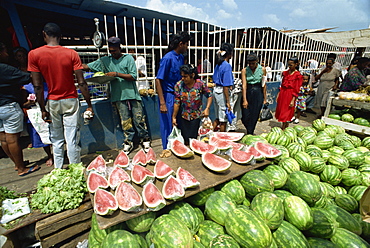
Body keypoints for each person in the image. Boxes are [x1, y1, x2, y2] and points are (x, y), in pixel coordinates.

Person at [28, 23, 94, 169]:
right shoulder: (71, 54)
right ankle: (75, 171)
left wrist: (42, 108)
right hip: (71, 100)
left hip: (52, 101)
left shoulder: (34, 54)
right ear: (60, 35)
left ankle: (58, 170)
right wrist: (89, 104)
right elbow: (81, 82)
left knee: (56, 139)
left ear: (44, 34)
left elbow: (37, 86)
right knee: (71, 139)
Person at [84, 37, 151, 154]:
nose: (112, 53)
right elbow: (87, 67)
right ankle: (128, 142)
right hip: (118, 96)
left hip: (132, 94)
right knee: (125, 121)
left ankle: (144, 139)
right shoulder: (105, 60)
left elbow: (133, 76)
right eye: (110, 50)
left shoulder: (128, 58)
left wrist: (116, 74)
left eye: (114, 50)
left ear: (120, 48)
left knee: (139, 118)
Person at [0, 42, 40, 176]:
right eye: (5, 51)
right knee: (12, 139)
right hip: (8, 106)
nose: (7, 54)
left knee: (3, 139)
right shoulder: (5, 69)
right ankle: (21, 168)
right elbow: (27, 77)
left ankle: (18, 165)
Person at [155, 31, 191, 158]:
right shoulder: (167, 58)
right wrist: (162, 102)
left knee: (177, 123)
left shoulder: (181, 57)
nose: (187, 47)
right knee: (168, 123)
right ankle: (166, 149)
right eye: (186, 44)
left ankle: (177, 147)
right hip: (168, 95)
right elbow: (158, 80)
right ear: (181, 44)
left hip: (179, 94)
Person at [172, 64, 212, 145]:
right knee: (185, 139)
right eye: (182, 76)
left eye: (185, 76)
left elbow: (210, 95)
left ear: (192, 75)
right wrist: (174, 117)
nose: (183, 78)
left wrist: (207, 108)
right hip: (184, 116)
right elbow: (177, 102)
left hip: (196, 116)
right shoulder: (178, 85)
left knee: (194, 139)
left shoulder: (200, 84)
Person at [241, 53, 267, 134]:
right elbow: (244, 85)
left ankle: (250, 132)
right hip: (248, 91)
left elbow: (264, 85)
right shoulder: (244, 70)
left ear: (257, 61)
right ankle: (249, 129)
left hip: (258, 92)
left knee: (255, 114)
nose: (251, 65)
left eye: (253, 63)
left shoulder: (262, 70)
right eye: (250, 63)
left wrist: (265, 98)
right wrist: (245, 100)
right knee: (244, 115)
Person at [275, 57, 303, 130]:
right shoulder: (285, 73)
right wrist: (278, 94)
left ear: (296, 64)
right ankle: (283, 125)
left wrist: (293, 99)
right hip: (283, 93)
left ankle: (284, 127)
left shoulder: (298, 75)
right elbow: (282, 84)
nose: (289, 66)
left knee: (287, 111)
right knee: (281, 110)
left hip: (290, 94)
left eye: (291, 65)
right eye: (288, 65)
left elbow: (296, 89)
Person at [212, 43, 234, 132]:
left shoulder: (218, 65)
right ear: (229, 54)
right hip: (222, 93)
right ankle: (221, 138)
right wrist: (228, 102)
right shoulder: (227, 66)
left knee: (218, 117)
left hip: (216, 91)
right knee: (223, 120)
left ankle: (210, 134)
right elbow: (225, 86)